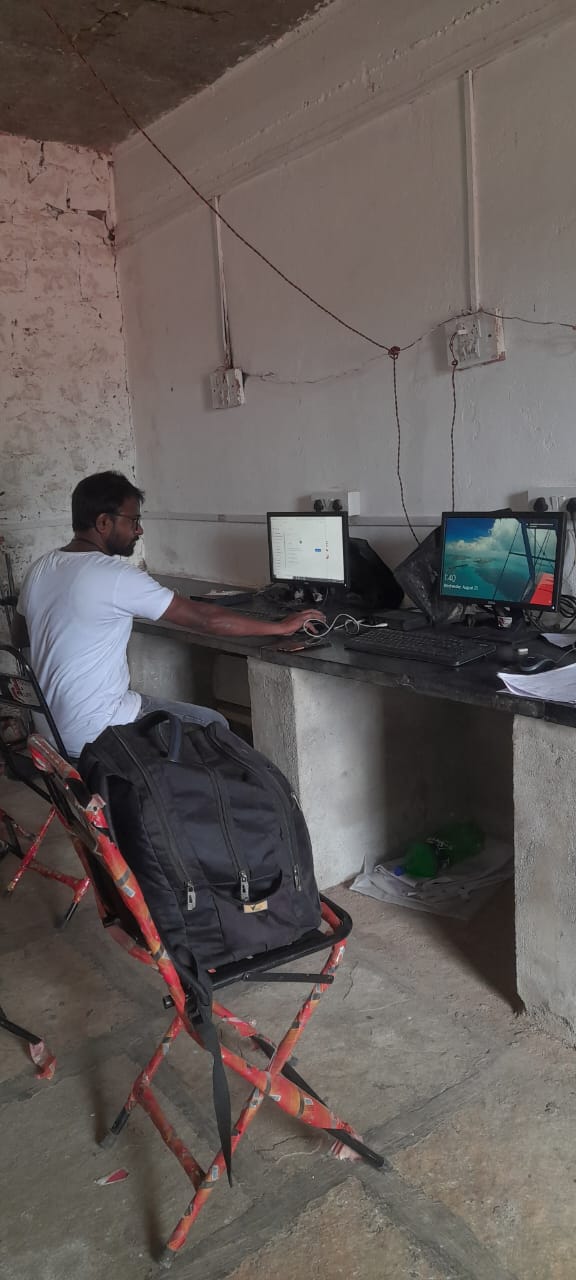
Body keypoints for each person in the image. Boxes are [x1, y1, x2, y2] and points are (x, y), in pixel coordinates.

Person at [11, 472, 324, 757]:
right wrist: (281, 626)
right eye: (133, 521)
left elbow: (21, 638)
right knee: (213, 724)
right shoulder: (114, 576)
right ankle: (192, 804)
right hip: (97, 732)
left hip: (48, 729)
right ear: (104, 522)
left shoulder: (41, 568)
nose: (139, 529)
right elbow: (205, 620)